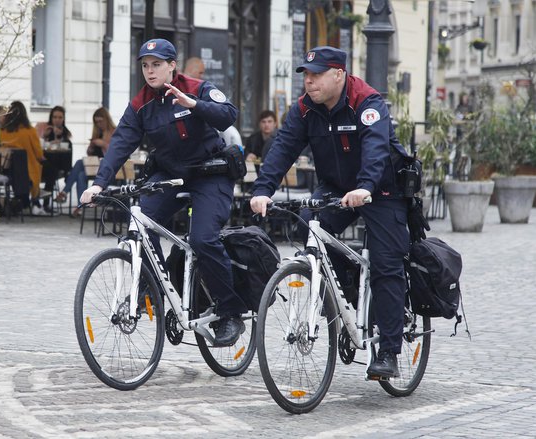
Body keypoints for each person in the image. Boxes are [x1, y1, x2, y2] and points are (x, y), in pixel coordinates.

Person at [250, 46, 414, 379]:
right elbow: (283, 147)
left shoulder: (367, 102)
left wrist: (366, 186)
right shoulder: (305, 109)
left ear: (338, 74)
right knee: (310, 231)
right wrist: (262, 189)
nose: (309, 82)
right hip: (337, 188)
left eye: (316, 75)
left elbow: (376, 148)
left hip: (381, 189)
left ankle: (389, 351)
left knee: (385, 263)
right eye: (306, 76)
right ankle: (351, 290)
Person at [81, 38, 248, 346]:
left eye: (156, 64)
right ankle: (158, 288)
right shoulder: (141, 104)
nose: (150, 71)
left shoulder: (197, 87)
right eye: (145, 65)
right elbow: (121, 143)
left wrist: (193, 104)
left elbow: (228, 114)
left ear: (173, 66)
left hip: (211, 174)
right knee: (140, 221)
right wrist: (98, 184)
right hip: (171, 175)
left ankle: (230, 312)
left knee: (202, 239)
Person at [55, 107, 116, 217]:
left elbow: (115, 154)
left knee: (79, 166)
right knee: (81, 173)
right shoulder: (97, 133)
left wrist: (103, 144)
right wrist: (92, 147)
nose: (98, 124)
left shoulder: (114, 132)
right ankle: (80, 204)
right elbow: (90, 154)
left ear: (106, 119)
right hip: (94, 166)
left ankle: (66, 193)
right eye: (96, 122)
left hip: (108, 169)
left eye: (100, 121)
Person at [0, 100, 47, 216]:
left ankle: (24, 202)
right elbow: (38, 153)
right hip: (28, 171)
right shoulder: (30, 131)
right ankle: (37, 202)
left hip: (9, 171)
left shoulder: (2, 131)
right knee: (49, 170)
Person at [41, 105, 73, 212]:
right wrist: (46, 137)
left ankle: (67, 171)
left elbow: (66, 148)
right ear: (51, 118)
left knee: (68, 144)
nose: (57, 120)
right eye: (55, 117)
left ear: (63, 119)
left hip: (59, 162)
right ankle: (68, 172)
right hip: (45, 162)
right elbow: (41, 146)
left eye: (60, 117)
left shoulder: (66, 132)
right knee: (52, 168)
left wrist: (60, 138)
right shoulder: (47, 129)